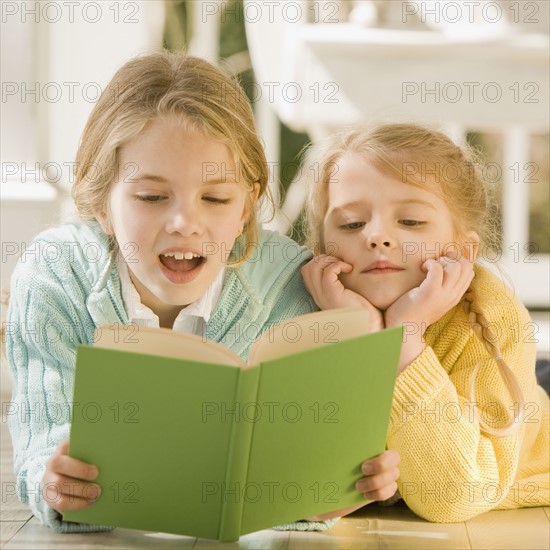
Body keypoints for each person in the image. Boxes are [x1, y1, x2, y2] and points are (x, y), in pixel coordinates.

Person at [5, 52, 399, 534]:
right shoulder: (54, 273)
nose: (185, 223)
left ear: (247, 206)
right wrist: (56, 483)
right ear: (102, 203)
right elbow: (41, 444)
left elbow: (295, 467)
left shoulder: (288, 282)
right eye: (151, 197)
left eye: (215, 198)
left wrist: (320, 496)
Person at [300, 123, 549, 522]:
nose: (378, 236)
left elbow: (453, 496)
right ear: (319, 252)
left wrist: (404, 337)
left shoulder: (492, 317)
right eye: (351, 224)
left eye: (411, 222)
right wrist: (359, 330)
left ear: (463, 252)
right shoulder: (304, 312)